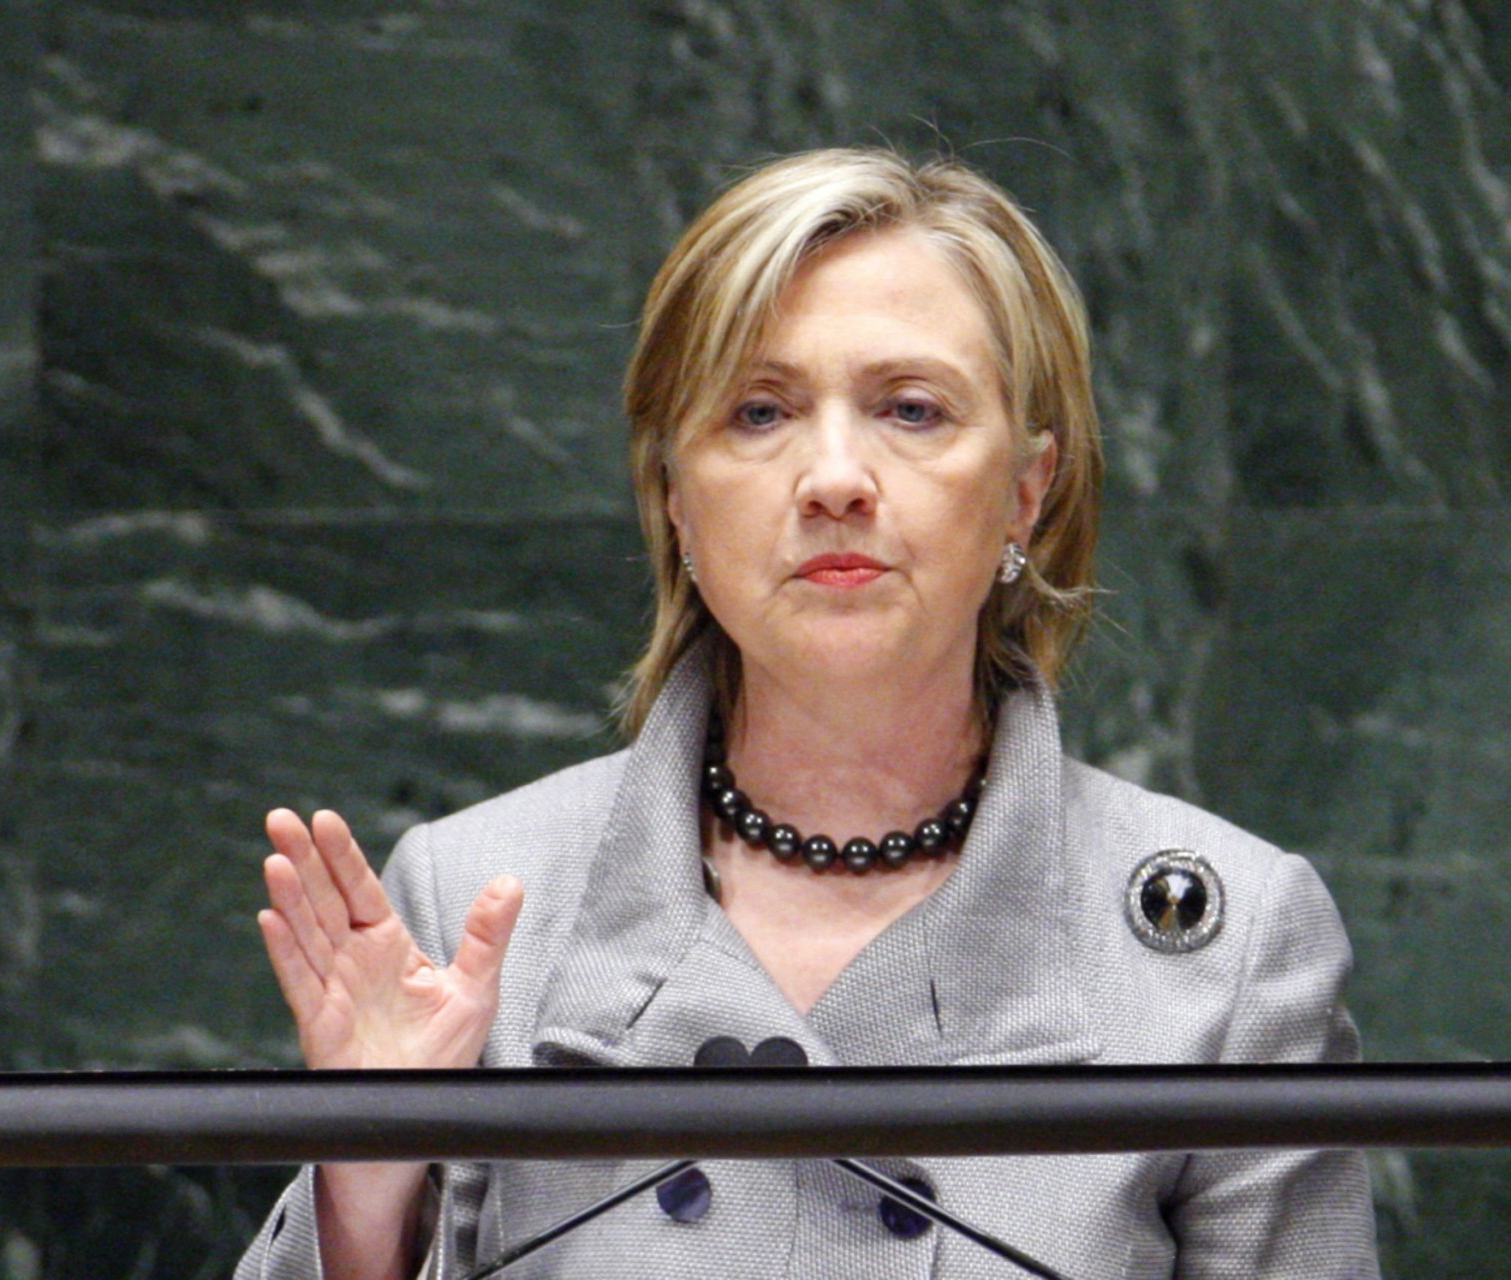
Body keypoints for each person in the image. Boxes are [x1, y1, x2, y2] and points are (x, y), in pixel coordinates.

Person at [236, 147, 1378, 1279]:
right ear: (677, 498)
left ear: (1028, 490)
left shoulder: (1230, 954)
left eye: (913, 409)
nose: (836, 476)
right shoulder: (476, 893)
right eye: (762, 410)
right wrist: (365, 1186)